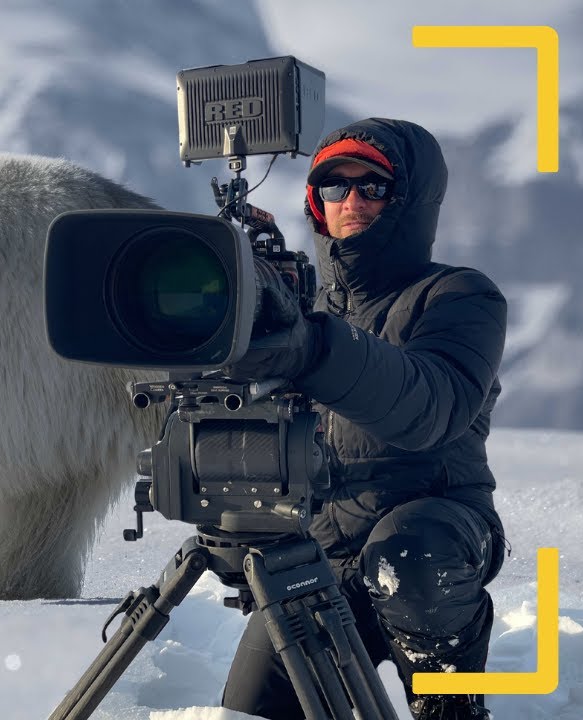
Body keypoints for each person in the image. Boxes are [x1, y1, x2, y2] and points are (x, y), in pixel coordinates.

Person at [218, 118, 508, 720]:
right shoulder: (300, 312)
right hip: (321, 555)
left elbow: (433, 407)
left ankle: (451, 708)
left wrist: (313, 348)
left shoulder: (457, 297)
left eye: (372, 187)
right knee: (246, 713)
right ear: (313, 203)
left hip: (438, 535)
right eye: (333, 188)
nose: (351, 202)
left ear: (409, 199)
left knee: (409, 555)